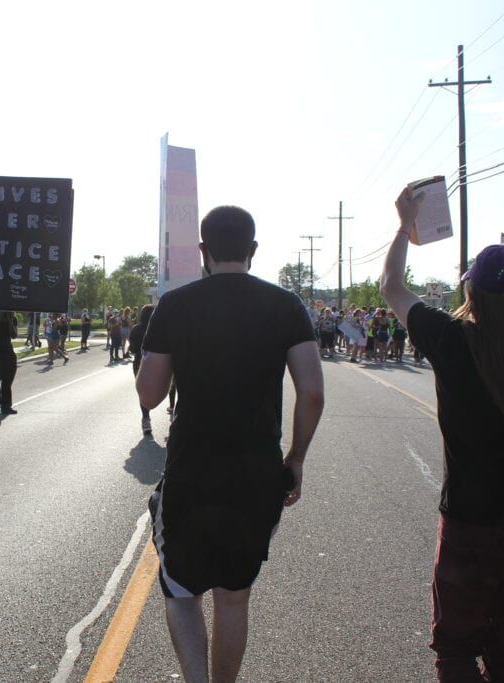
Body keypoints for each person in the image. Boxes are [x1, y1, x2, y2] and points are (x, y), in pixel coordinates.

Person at [381, 187, 504, 682]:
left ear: (472, 292)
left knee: (454, 650)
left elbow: (391, 286)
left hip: (468, 524)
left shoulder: (453, 341)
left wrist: (405, 227)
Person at [136, 205, 324, 683]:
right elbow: (313, 393)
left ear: (204, 251)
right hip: (256, 473)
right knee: (234, 597)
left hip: (191, 471)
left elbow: (149, 393)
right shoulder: (287, 306)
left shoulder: (174, 306)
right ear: (253, 250)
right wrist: (296, 457)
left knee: (181, 592)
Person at [129, 304, 156, 436]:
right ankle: (174, 411)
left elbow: (132, 349)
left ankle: (146, 419)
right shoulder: (158, 328)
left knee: (142, 392)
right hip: (157, 363)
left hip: (139, 362)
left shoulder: (136, 329)